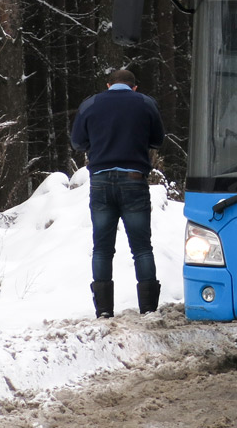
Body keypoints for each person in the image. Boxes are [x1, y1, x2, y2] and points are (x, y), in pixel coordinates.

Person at [71, 68, 165, 318]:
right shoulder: (145, 103)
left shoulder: (90, 104)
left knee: (102, 248)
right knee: (142, 248)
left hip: (100, 182)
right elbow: (158, 140)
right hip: (134, 180)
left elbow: (77, 142)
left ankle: (103, 311)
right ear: (134, 87)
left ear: (108, 84)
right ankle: (148, 310)